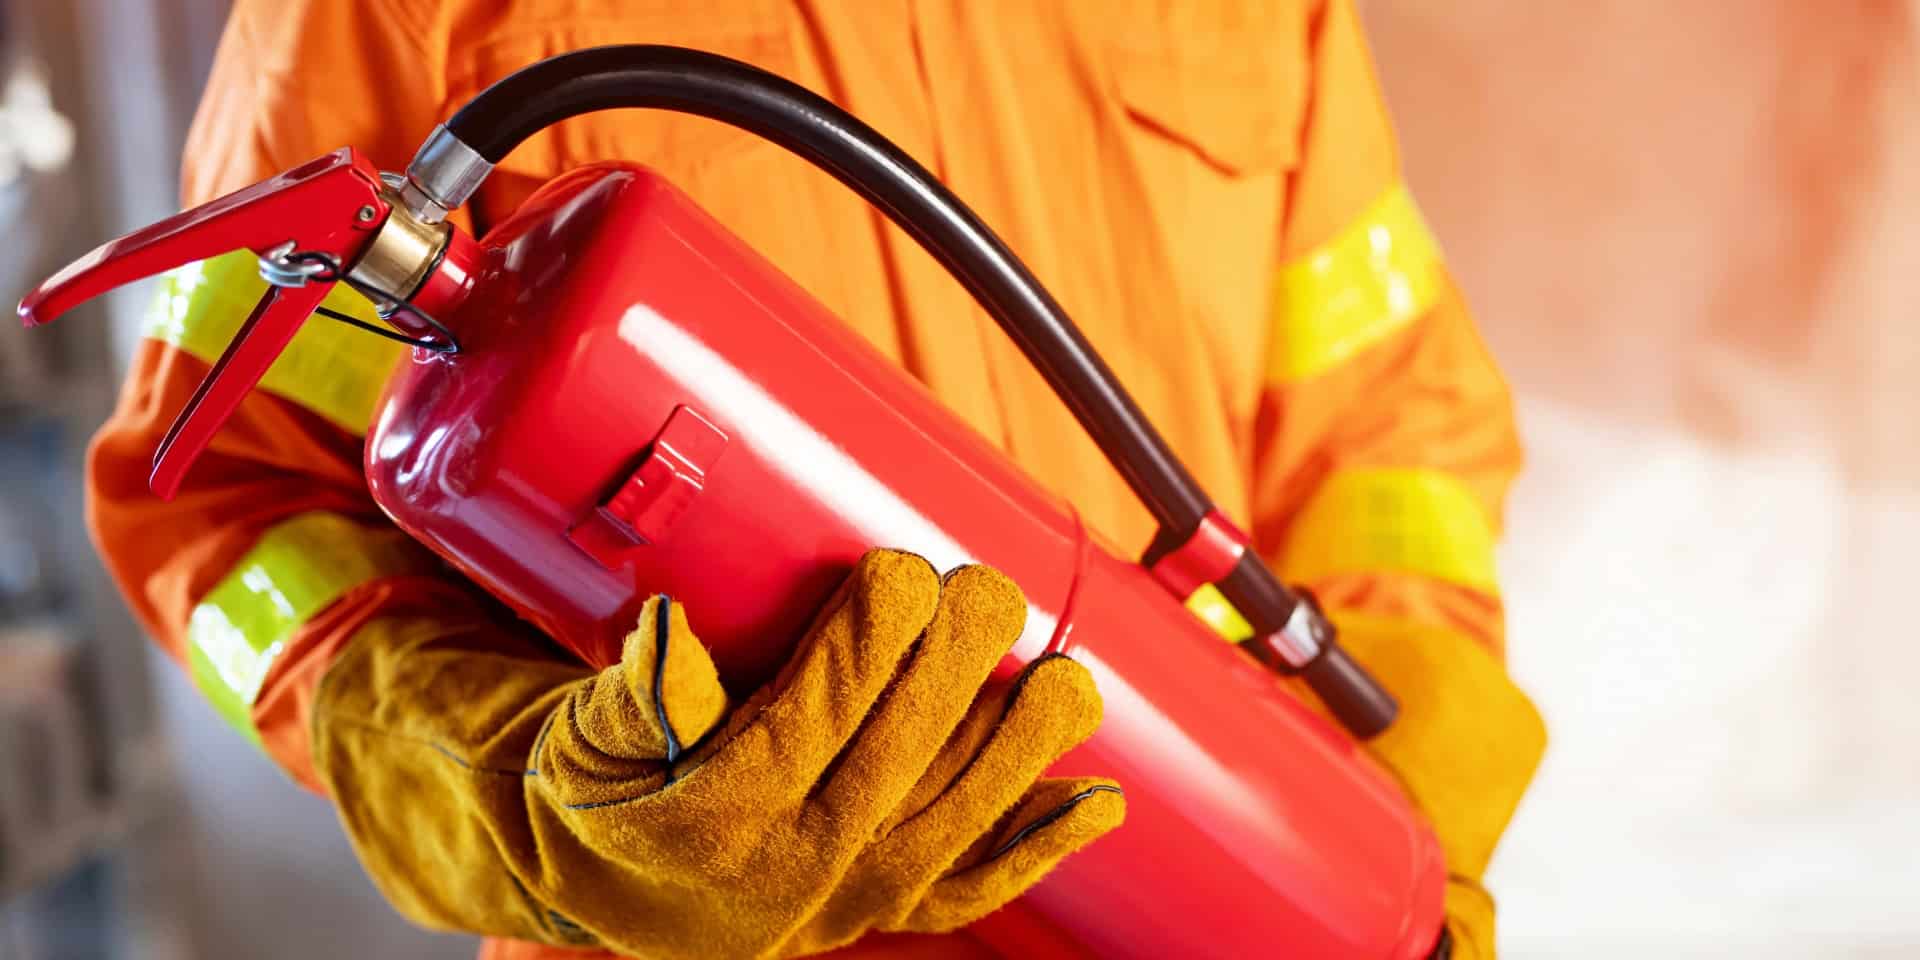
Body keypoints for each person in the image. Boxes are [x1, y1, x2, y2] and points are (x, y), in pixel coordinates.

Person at [87, 1, 1546, 957]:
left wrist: (1394, 787)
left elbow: (1389, 426)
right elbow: (225, 514)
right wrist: (539, 795)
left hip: (1215, 889)